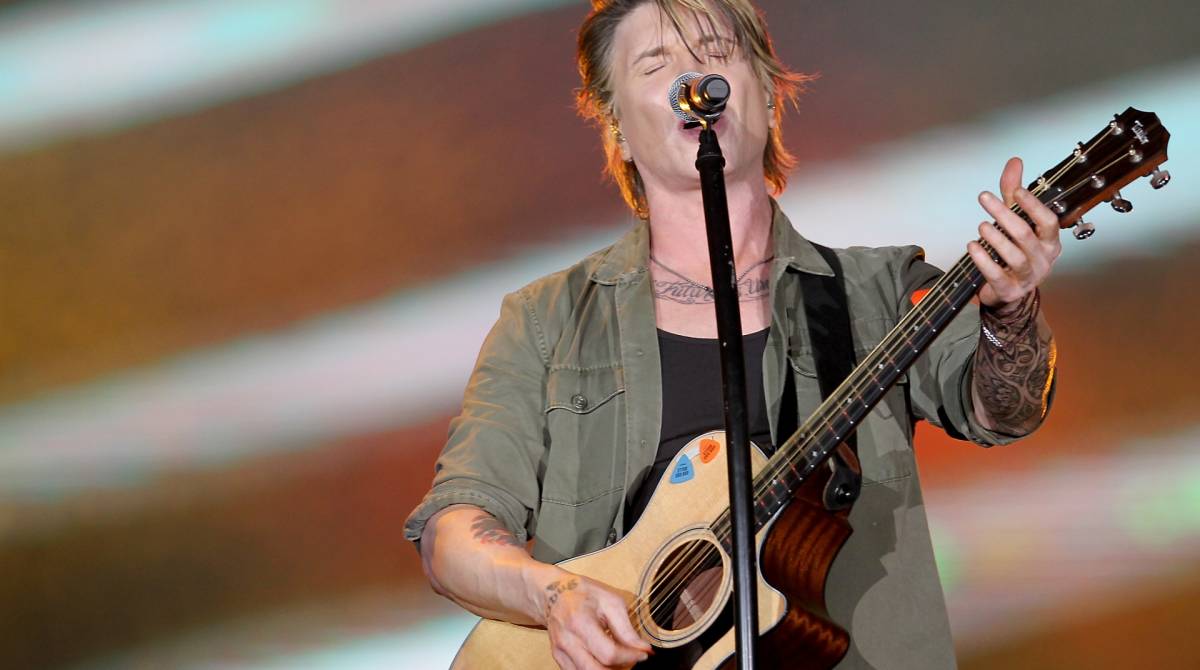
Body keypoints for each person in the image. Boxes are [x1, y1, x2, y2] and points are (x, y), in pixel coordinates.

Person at [404, 1, 1061, 668]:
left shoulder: (879, 289)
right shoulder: (546, 321)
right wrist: (554, 596)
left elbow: (1004, 410)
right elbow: (453, 534)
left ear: (770, 98)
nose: (694, 79)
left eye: (716, 55)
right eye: (656, 65)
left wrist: (1011, 311)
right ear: (617, 128)